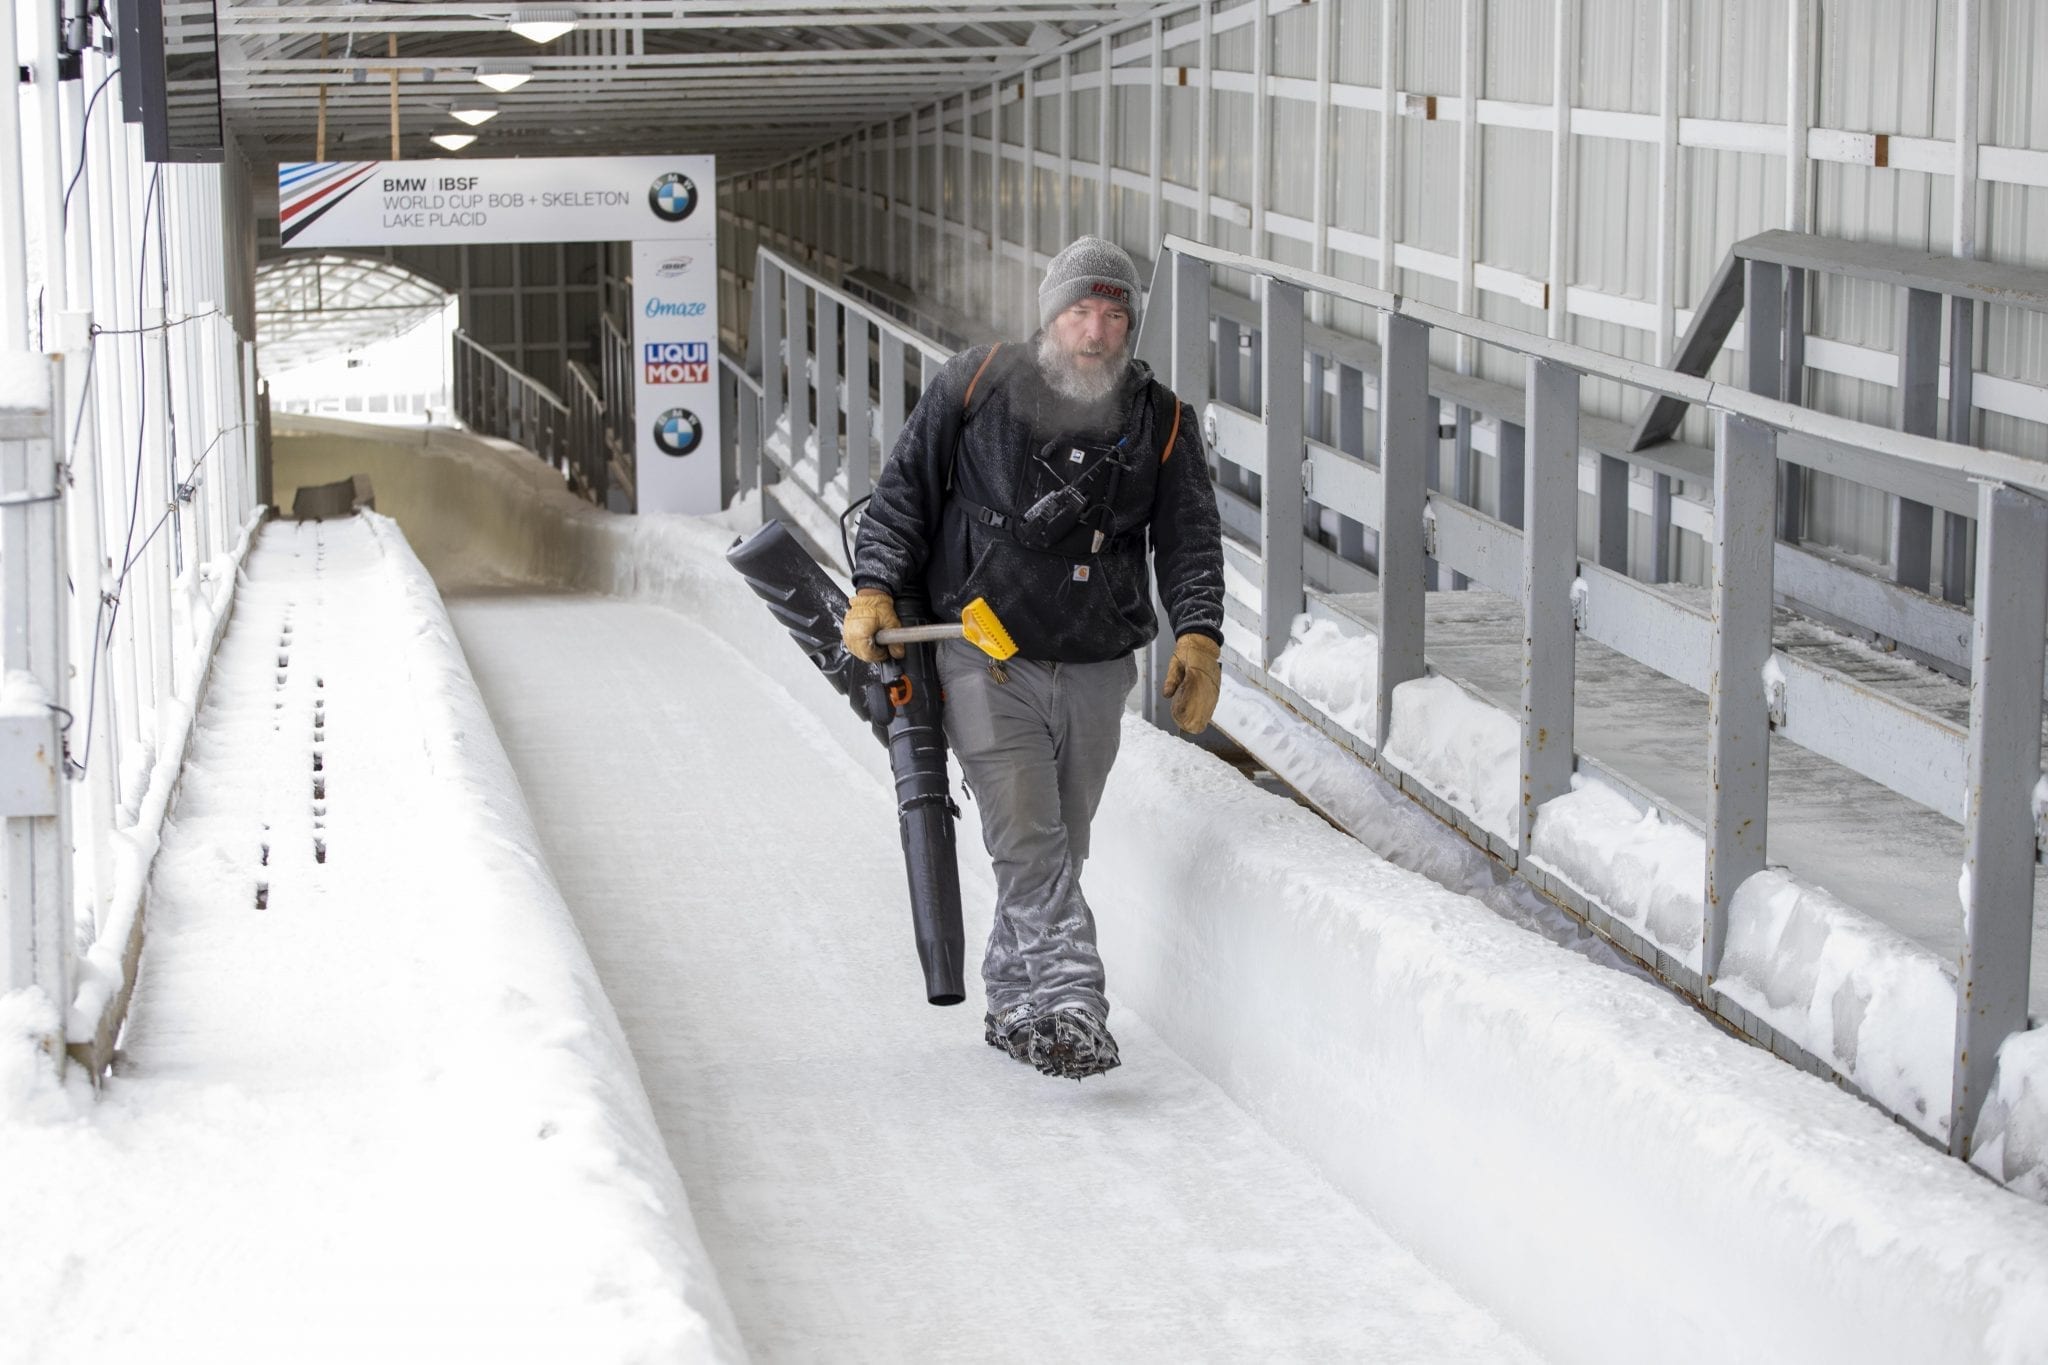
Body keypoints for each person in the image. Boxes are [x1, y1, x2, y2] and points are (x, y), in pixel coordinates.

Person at [842, 235, 1225, 1080]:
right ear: (1050, 315)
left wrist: (1198, 632)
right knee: (1026, 835)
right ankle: (1070, 998)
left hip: (1094, 664)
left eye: (1114, 314)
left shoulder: (1161, 422)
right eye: (1081, 311)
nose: (1096, 331)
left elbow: (1191, 538)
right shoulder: (977, 385)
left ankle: (1014, 1001)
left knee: (1062, 840)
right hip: (981, 653)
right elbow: (904, 491)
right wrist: (875, 586)